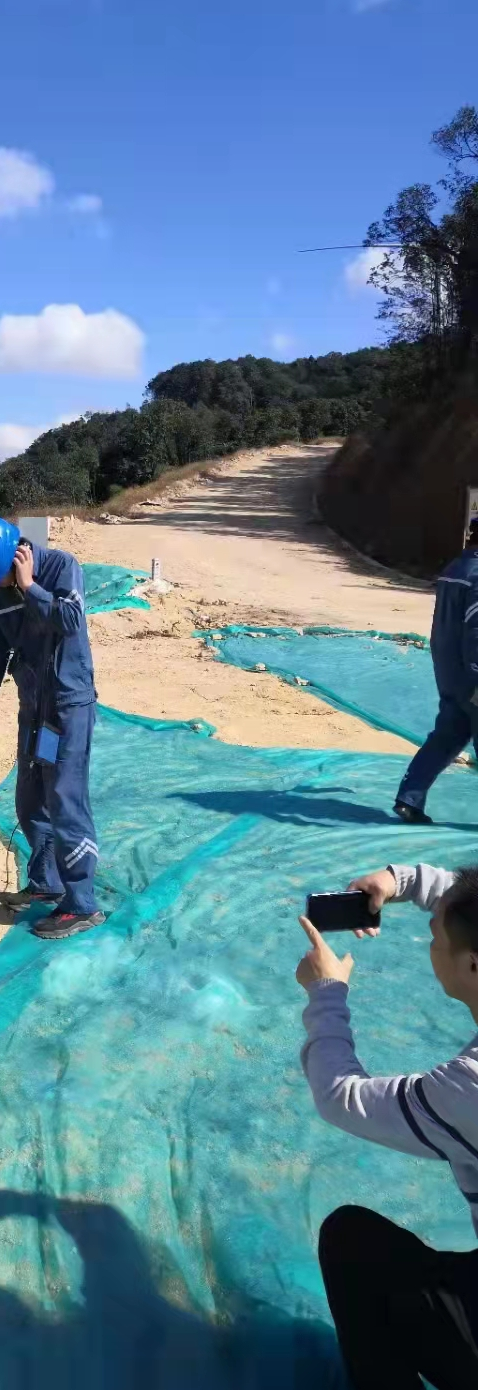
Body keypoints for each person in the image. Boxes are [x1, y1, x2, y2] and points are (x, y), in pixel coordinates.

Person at [297, 858, 478, 1389]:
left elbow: (340, 1096)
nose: (430, 942)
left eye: (434, 936)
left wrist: (326, 993)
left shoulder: (467, 1089)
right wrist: (402, 882)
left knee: (352, 1243)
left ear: (472, 966)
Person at [0, 517, 103, 941]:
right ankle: (47, 882)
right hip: (34, 710)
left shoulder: (61, 567)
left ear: (17, 557)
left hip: (67, 707)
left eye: (2, 575)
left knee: (65, 800)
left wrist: (30, 587)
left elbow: (71, 621)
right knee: (31, 798)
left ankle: (81, 904)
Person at [394, 519, 478, 825]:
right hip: (473, 675)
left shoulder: (456, 569)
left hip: (450, 671)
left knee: (447, 735)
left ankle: (409, 799)